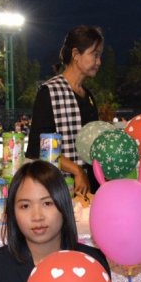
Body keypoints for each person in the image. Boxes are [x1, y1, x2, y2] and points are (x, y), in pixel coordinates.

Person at [25, 25, 105, 195]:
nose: (99, 62)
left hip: (91, 189)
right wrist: (77, 170)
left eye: (100, 56)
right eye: (95, 55)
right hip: (61, 189)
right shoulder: (49, 92)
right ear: (76, 54)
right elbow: (38, 149)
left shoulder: (88, 96)